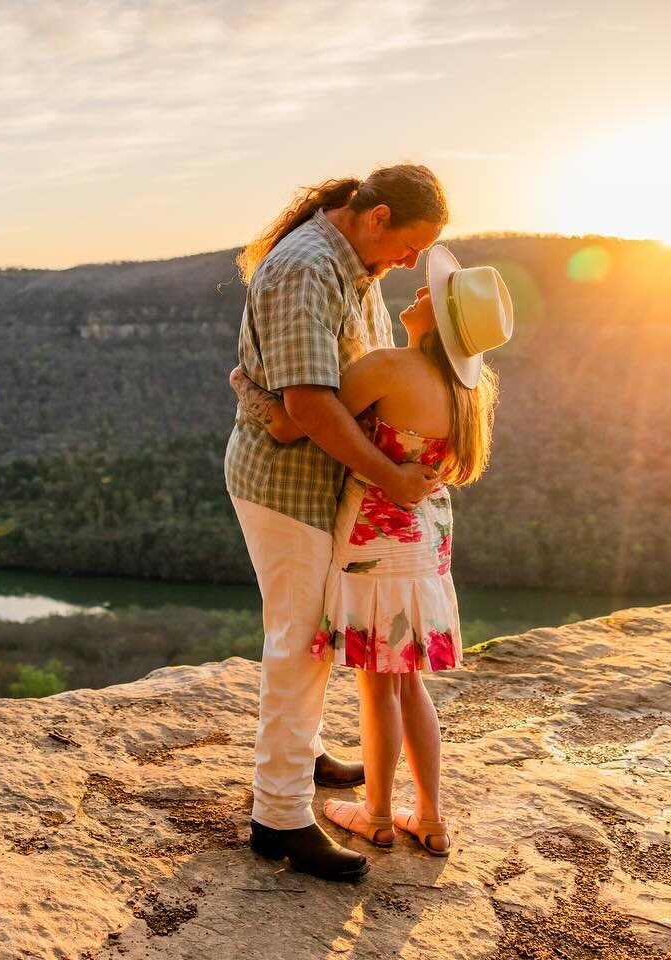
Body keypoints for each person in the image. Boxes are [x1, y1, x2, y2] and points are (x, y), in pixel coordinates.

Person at [238, 245, 511, 859]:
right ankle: (432, 819)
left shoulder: (390, 367)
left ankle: (379, 815)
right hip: (427, 551)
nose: (418, 293)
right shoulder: (469, 395)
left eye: (431, 297)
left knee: (376, 685)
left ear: (440, 323)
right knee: (409, 684)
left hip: (373, 546)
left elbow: (293, 422)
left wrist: (247, 388)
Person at [223, 164, 448, 882]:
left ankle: (303, 754)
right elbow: (311, 409)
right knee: (301, 642)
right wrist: (394, 477)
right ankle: (279, 816)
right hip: (287, 489)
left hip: (324, 486)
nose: (412, 264)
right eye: (411, 244)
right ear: (376, 217)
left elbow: (347, 393)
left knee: (311, 633)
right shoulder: (306, 269)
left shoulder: (358, 270)